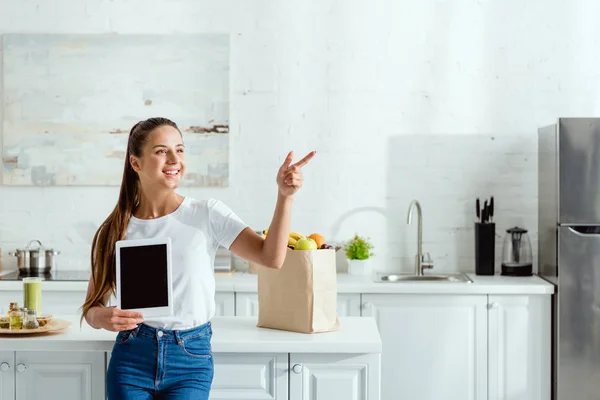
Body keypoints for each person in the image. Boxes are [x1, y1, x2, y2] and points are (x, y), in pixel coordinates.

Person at [80, 117, 315, 399]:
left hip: (190, 359)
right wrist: (103, 317)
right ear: (135, 163)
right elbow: (91, 308)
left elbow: (272, 257)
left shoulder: (207, 214)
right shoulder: (114, 229)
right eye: (160, 151)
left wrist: (285, 196)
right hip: (132, 358)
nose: (174, 159)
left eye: (179, 150)